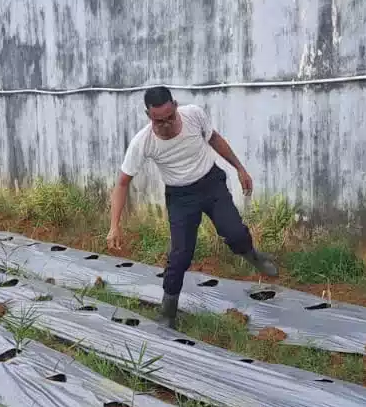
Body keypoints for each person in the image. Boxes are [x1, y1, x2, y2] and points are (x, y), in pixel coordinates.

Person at [106, 86, 277, 329]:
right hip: (180, 197)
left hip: (211, 184)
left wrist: (240, 168)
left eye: (170, 117)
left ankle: (253, 255)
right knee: (180, 256)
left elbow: (215, 139)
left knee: (235, 233)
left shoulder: (194, 115)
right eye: (159, 121)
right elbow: (122, 183)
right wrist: (114, 226)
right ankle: (168, 311)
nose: (166, 125)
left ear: (175, 106)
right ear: (148, 115)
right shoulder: (142, 142)